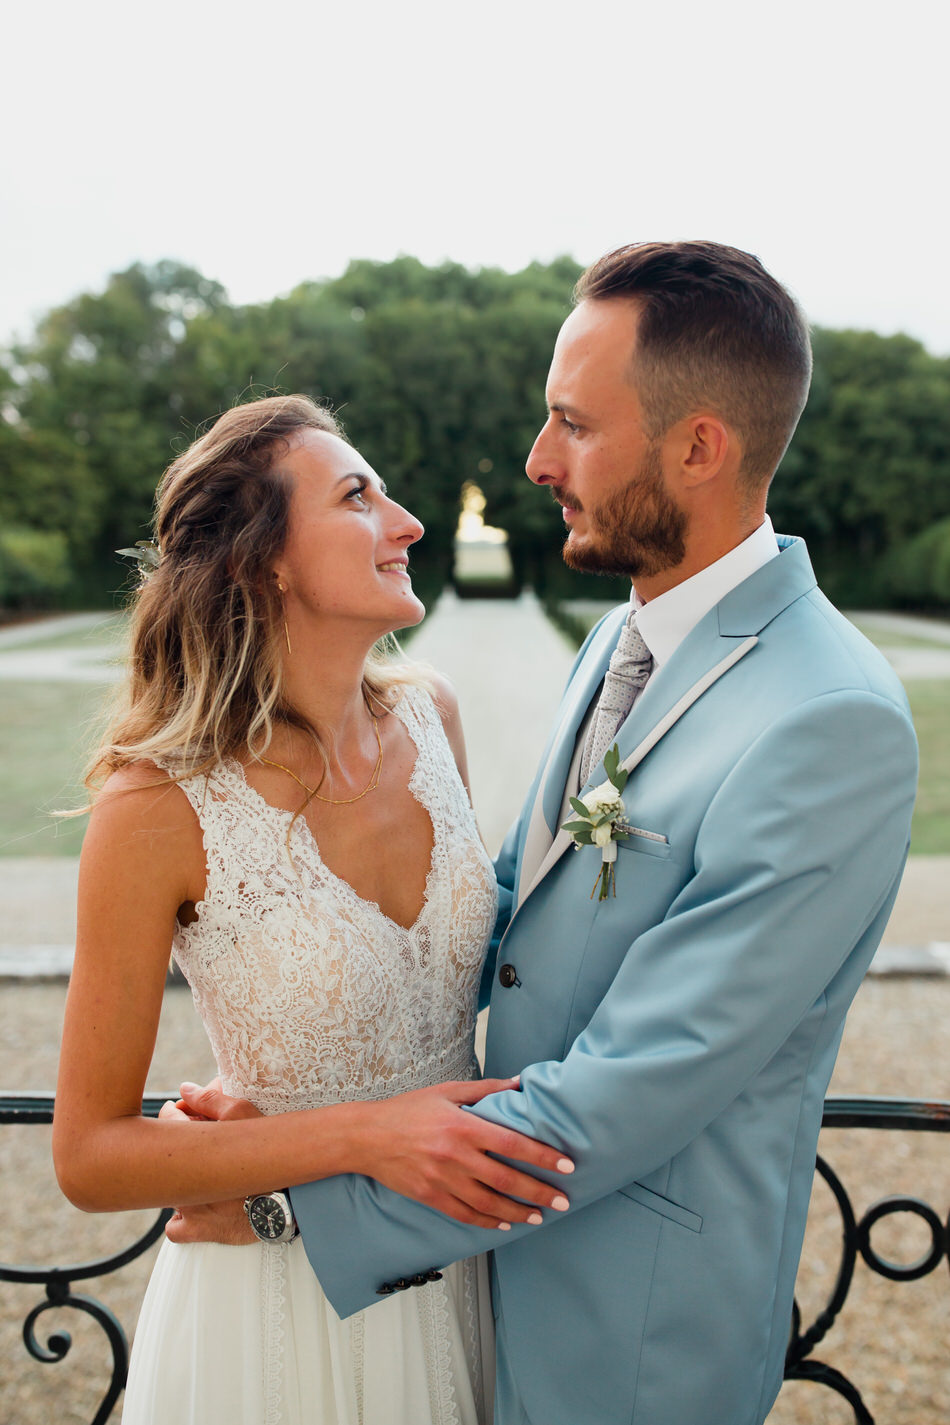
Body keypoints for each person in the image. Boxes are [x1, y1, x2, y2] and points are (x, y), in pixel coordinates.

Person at [172, 242, 919, 1425]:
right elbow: (506, 911)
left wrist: (288, 1206)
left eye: (571, 424)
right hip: (476, 1287)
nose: (535, 462)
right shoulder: (616, 643)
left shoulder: (828, 721)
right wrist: (300, 1066)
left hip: (630, 1338)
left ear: (697, 446)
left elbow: (633, 1089)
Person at [51, 395, 576, 1425]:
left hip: (461, 1264)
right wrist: (360, 1137)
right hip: (274, 1296)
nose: (407, 522)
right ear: (265, 563)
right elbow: (89, 1155)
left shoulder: (433, 719)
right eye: (356, 497)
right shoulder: (155, 804)